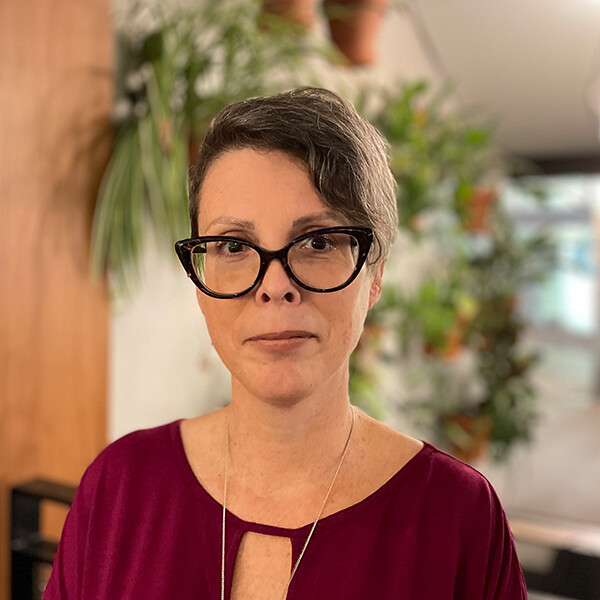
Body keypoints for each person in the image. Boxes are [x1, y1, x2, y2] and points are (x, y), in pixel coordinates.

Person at [44, 87, 527, 599]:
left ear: (375, 273)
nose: (274, 285)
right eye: (233, 245)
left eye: (318, 241)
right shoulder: (119, 487)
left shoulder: (459, 517)